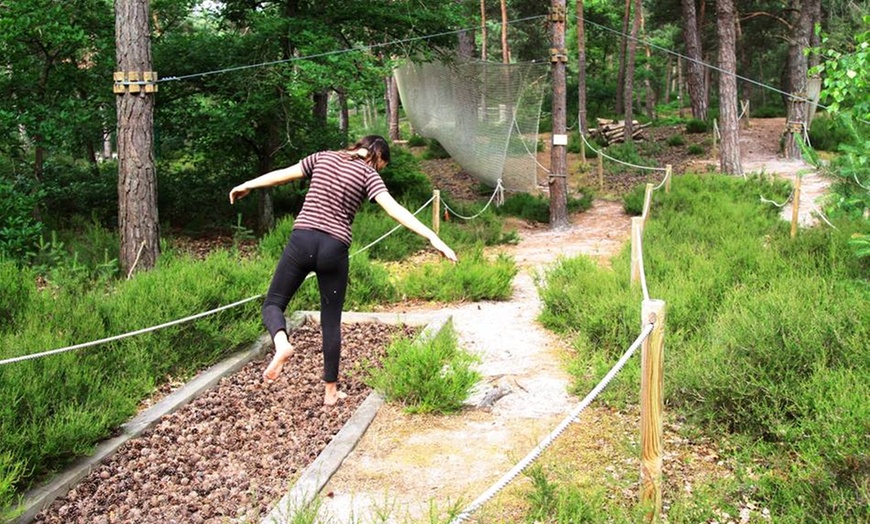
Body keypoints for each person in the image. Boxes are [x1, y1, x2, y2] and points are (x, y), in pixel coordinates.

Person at [229, 135, 457, 406]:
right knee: (330, 320)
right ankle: (330, 392)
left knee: (273, 304)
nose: (379, 169)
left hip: (302, 240)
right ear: (378, 155)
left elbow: (282, 175)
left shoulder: (322, 157)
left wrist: (247, 185)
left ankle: (281, 344)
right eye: (381, 164)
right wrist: (433, 238)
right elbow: (396, 210)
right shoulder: (369, 175)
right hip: (334, 248)